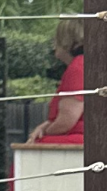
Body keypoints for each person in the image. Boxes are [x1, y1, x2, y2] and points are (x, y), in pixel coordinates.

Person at [24, 13, 85, 147]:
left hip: (77, 140)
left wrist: (44, 132)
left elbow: (66, 122)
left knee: (32, 149)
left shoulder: (78, 67)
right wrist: (45, 125)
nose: (54, 43)